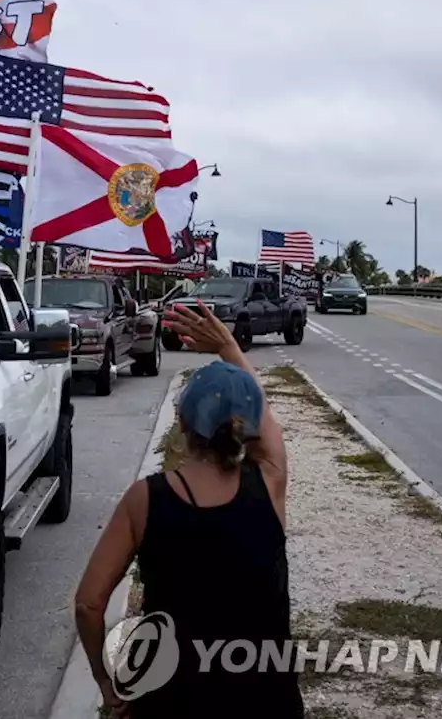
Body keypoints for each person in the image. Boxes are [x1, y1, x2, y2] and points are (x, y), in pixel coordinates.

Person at [74, 302, 302, 718]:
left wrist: (106, 683)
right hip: (267, 699)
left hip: (169, 699)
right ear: (246, 427)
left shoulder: (145, 499)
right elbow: (270, 427)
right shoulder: (269, 482)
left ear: (180, 422)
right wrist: (230, 348)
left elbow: (89, 604)